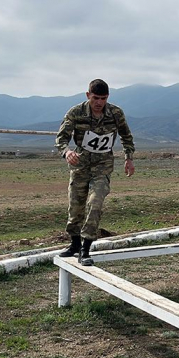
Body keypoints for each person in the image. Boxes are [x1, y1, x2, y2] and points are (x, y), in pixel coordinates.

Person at [55, 79, 135, 266]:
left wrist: (128, 158)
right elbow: (61, 138)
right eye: (96, 98)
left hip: (103, 165)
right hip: (80, 165)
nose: (99, 102)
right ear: (88, 95)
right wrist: (67, 152)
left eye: (103, 98)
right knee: (76, 206)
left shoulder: (115, 113)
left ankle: (86, 248)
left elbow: (126, 136)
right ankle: (74, 243)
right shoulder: (76, 113)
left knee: (95, 202)